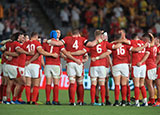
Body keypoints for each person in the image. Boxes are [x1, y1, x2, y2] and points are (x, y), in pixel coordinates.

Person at [43, 30, 81, 105]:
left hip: (47, 64)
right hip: (56, 64)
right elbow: (65, 53)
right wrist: (74, 59)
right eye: (57, 33)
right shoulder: (59, 44)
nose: (58, 34)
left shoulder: (45, 43)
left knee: (48, 83)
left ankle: (47, 100)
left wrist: (49, 55)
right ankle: (55, 100)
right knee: (56, 83)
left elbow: (41, 52)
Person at [23, 32, 58, 105]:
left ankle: (28, 100)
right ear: (36, 36)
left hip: (27, 65)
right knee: (36, 84)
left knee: (28, 84)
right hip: (35, 65)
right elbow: (40, 52)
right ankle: (34, 101)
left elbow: (21, 51)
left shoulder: (26, 43)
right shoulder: (37, 43)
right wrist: (52, 54)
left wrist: (28, 60)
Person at [137, 33, 159, 106]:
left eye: (143, 39)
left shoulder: (149, 46)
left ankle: (152, 100)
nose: (142, 41)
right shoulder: (154, 46)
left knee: (149, 84)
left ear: (146, 39)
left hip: (149, 66)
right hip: (152, 66)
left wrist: (141, 62)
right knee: (151, 84)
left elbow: (147, 55)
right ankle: (152, 99)